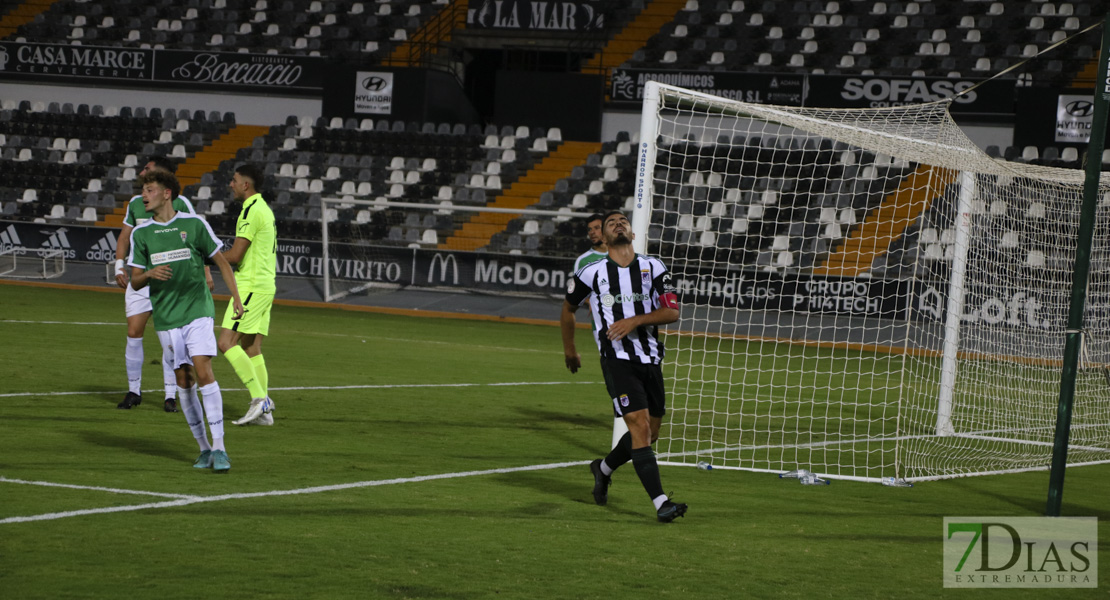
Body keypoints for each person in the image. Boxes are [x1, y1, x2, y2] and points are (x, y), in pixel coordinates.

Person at [561, 210, 688, 523]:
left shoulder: (653, 266)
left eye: (623, 221)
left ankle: (603, 469)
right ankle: (661, 504)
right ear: (603, 238)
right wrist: (570, 349)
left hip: (650, 358)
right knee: (639, 426)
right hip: (616, 359)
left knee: (651, 432)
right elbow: (567, 308)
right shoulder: (591, 272)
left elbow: (672, 312)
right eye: (611, 223)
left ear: (632, 233)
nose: (618, 224)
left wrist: (635, 320)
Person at [127, 170, 245, 472]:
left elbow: (221, 261)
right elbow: (135, 281)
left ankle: (220, 447)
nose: (144, 195)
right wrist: (149, 274)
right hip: (166, 316)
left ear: (167, 193)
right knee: (183, 379)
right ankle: (204, 449)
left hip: (197, 310)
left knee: (202, 367)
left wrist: (237, 299)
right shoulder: (142, 234)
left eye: (150, 189)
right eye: (143, 190)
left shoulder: (193, 225)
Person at [113, 156, 212, 412]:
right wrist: (118, 265)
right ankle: (134, 390)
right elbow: (125, 235)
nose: (143, 171)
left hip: (171, 279)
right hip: (142, 276)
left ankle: (170, 395)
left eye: (149, 169)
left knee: (170, 338)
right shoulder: (136, 204)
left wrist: (206, 272)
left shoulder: (182, 204)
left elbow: (196, 241)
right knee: (134, 332)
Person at [217, 164, 278, 426]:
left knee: (225, 342)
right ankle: (265, 413)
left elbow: (236, 256)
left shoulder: (251, 211)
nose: (230, 184)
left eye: (234, 180)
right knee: (251, 347)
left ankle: (259, 400)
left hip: (251, 286)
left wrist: (205, 257)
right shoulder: (264, 208)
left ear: (245, 185)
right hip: (265, 285)